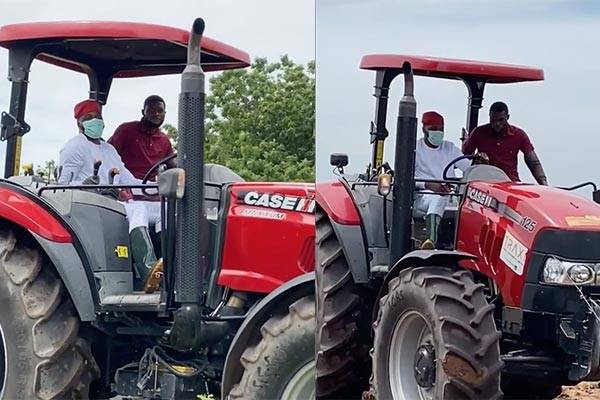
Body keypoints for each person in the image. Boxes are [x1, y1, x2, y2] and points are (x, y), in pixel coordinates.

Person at [59, 99, 163, 292]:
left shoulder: (109, 149)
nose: (95, 121)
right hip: (94, 205)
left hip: (118, 204)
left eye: (97, 117)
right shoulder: (74, 147)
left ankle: (166, 269)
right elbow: (62, 185)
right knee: (137, 208)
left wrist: (159, 187)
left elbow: (128, 180)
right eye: (89, 118)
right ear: (79, 122)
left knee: (164, 211)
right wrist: (85, 185)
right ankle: (146, 269)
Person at [414, 111, 470, 249]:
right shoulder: (415, 149)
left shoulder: (450, 148)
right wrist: (428, 184)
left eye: (441, 129)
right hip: (423, 197)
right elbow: (405, 178)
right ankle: (430, 240)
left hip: (450, 197)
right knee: (436, 199)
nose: (437, 132)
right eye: (433, 129)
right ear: (424, 129)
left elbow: (468, 168)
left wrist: (480, 164)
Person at [462, 101, 548, 185]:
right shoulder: (479, 132)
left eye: (501, 120)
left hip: (509, 182)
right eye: (493, 120)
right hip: (484, 181)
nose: (497, 124)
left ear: (508, 117)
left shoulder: (518, 134)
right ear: (489, 117)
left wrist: (543, 182)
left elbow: (533, 162)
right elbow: (466, 153)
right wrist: (477, 156)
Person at [108, 95, 176, 180]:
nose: (156, 114)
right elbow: (108, 152)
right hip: (126, 185)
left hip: (151, 187)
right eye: (152, 110)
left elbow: (173, 166)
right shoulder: (126, 130)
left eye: (160, 111)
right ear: (143, 112)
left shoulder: (164, 140)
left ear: (164, 113)